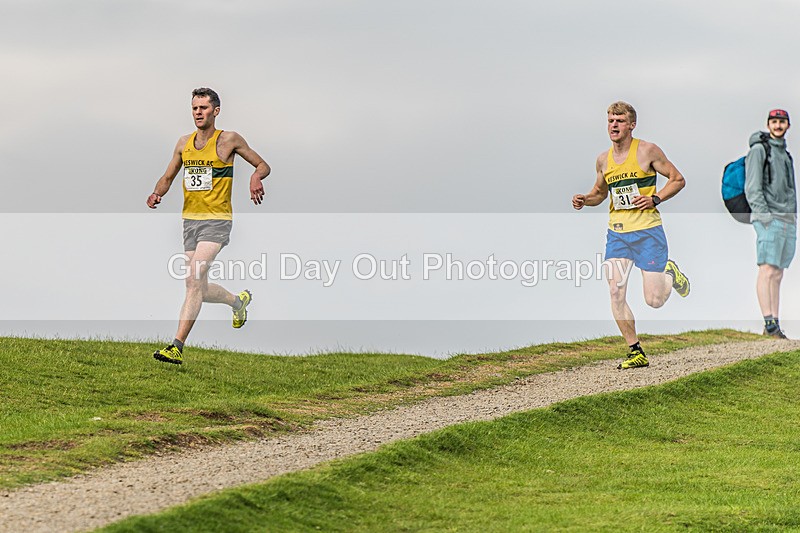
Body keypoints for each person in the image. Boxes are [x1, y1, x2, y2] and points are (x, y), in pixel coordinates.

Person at [146, 87, 271, 364]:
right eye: (194, 108)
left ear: (215, 111)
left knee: (192, 280)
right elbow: (168, 177)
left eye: (203, 108)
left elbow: (263, 164)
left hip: (217, 220)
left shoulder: (228, 140)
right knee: (197, 287)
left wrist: (255, 178)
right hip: (190, 221)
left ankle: (176, 346)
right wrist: (157, 193)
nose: (198, 113)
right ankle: (237, 302)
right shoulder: (183, 143)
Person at [572, 101, 690, 369]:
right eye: (610, 120)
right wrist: (584, 199)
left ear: (632, 125)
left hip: (648, 233)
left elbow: (678, 179)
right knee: (615, 291)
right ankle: (635, 350)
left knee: (654, 300)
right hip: (618, 235)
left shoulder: (647, 150)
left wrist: (656, 198)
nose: (614, 125)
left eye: (620, 121)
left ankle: (670, 274)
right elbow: (600, 193)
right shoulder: (603, 160)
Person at [745, 109, 796, 339]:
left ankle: (774, 323)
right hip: (769, 219)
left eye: (782, 122)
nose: (778, 125)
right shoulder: (759, 150)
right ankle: (768, 319)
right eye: (774, 121)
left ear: (787, 125)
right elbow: (752, 187)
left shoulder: (785, 155)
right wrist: (764, 217)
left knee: (778, 272)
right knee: (766, 269)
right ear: (768, 124)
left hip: (787, 219)